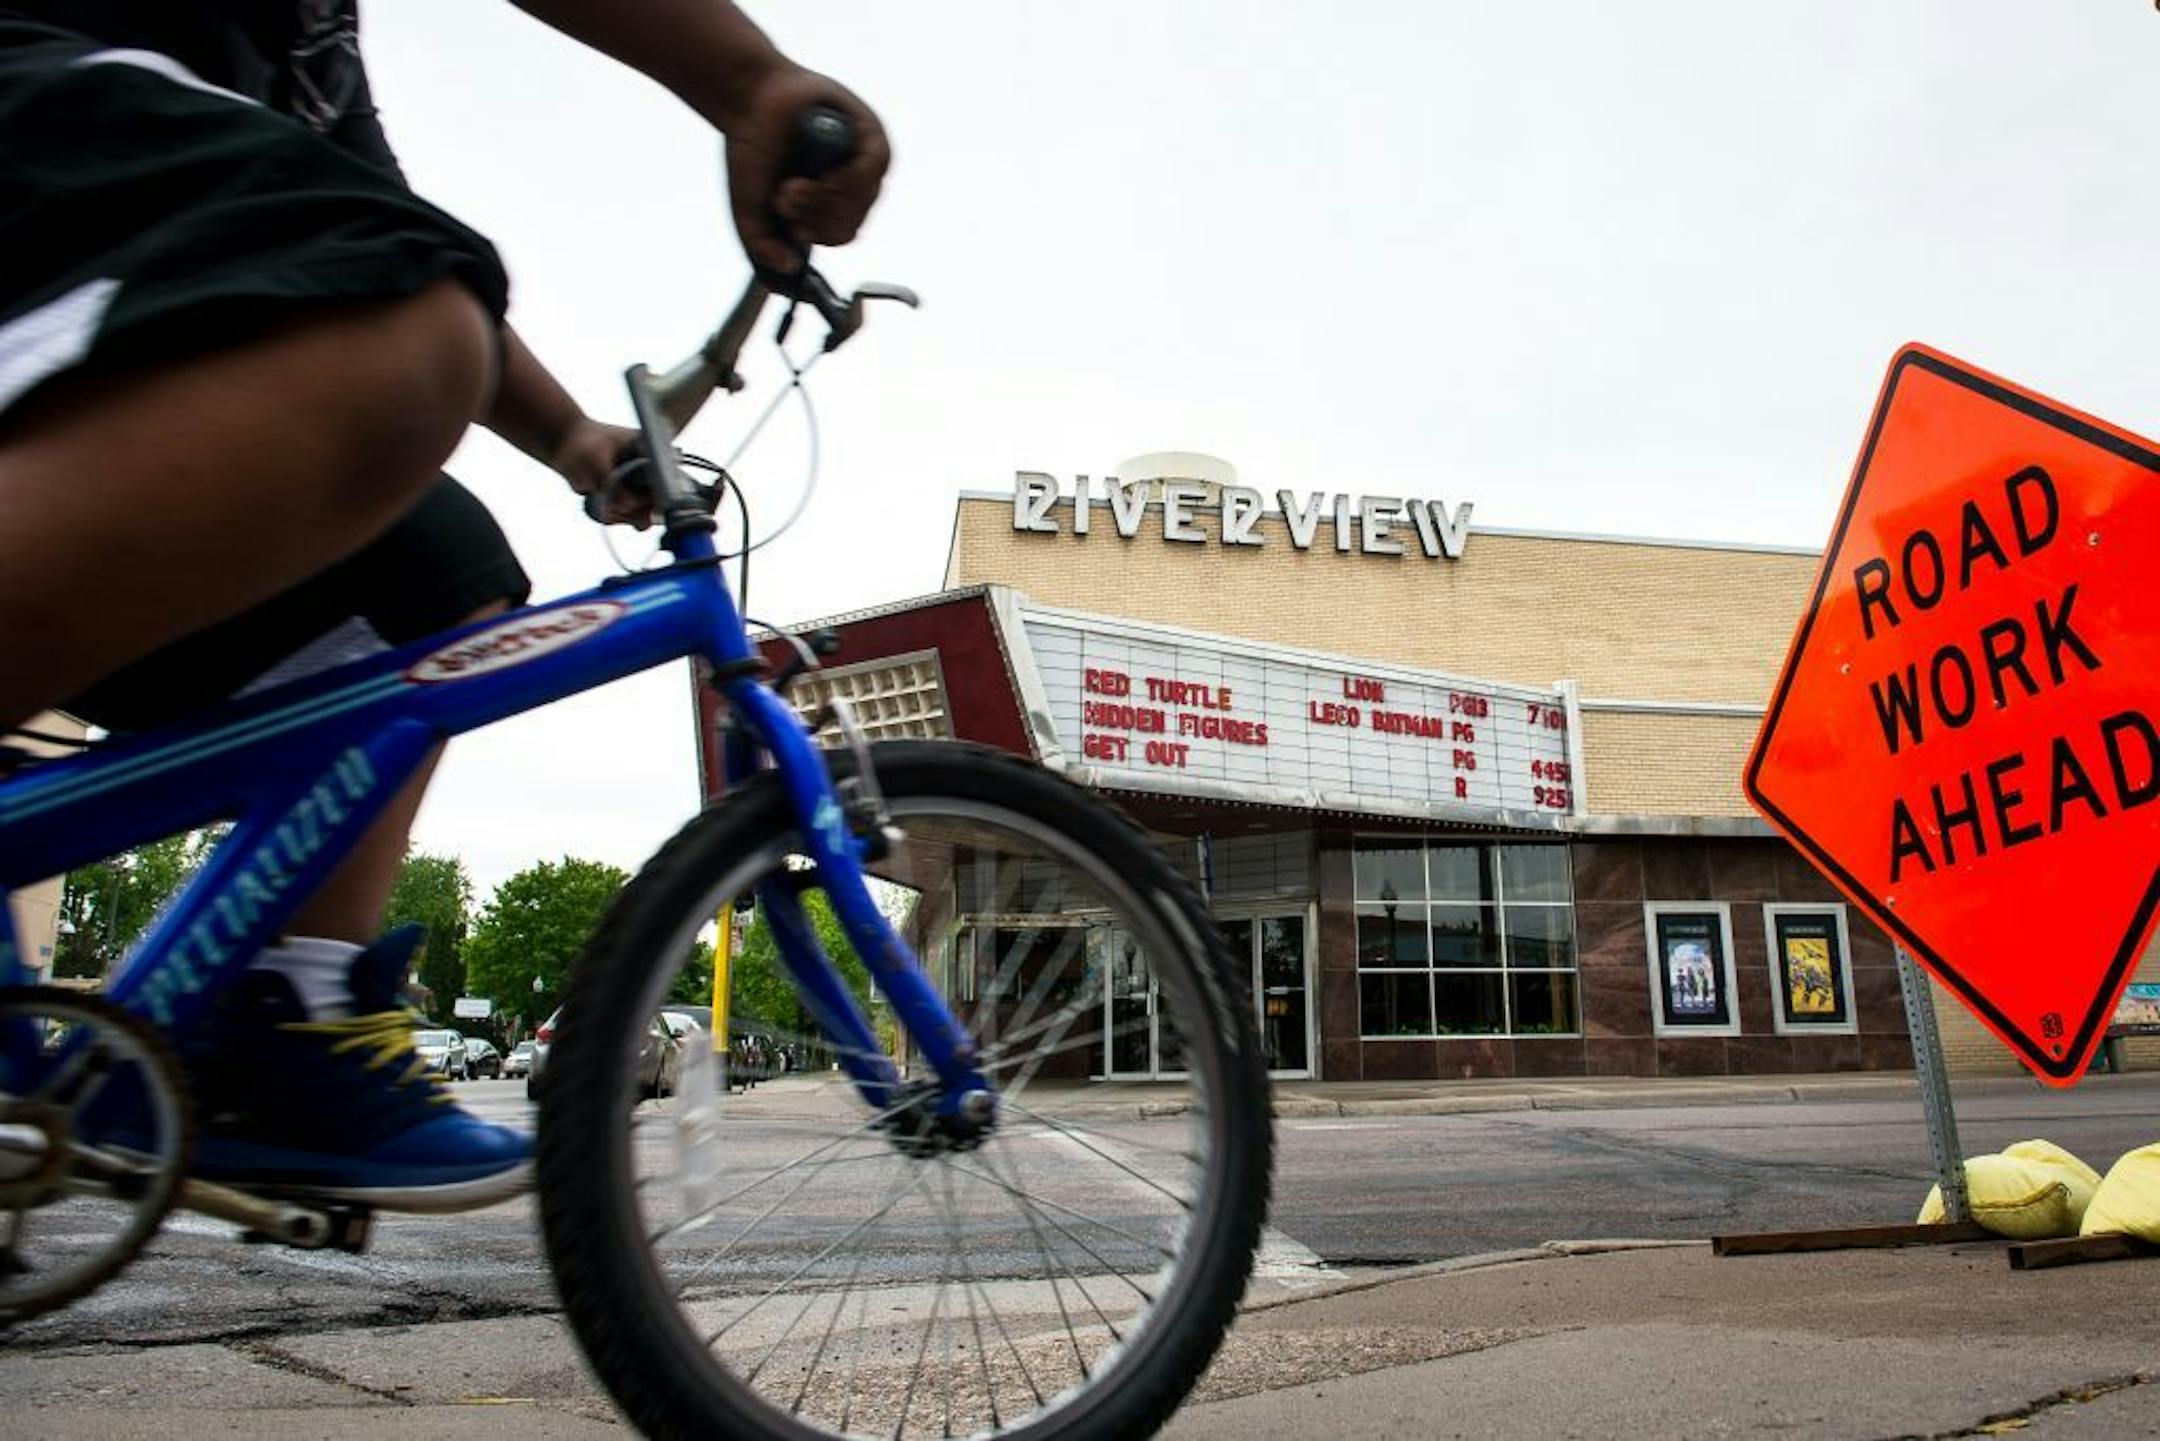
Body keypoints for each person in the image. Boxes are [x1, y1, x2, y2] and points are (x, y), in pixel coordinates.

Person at [0, 2, 887, 1208]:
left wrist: (573, 436)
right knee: (403, 322)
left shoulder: (302, 56)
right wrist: (746, 77)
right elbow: (387, 290)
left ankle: (279, 1018)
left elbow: (372, 233)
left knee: (438, 575)